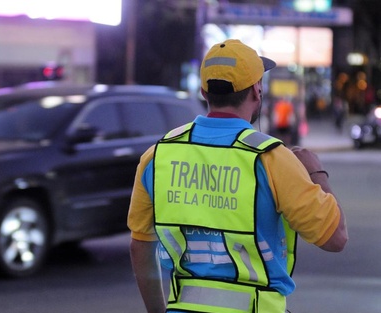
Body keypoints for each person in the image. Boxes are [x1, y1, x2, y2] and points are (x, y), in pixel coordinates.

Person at [128, 39, 348, 313]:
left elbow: (141, 246)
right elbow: (335, 238)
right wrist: (316, 171)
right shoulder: (272, 159)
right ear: (257, 91)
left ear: (203, 92)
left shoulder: (156, 157)